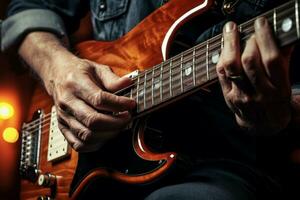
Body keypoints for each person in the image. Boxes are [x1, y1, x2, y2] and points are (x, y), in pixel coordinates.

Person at [1, 0, 300, 199]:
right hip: (100, 171)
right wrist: (57, 68)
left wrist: (281, 113)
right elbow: (29, 10)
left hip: (231, 164)